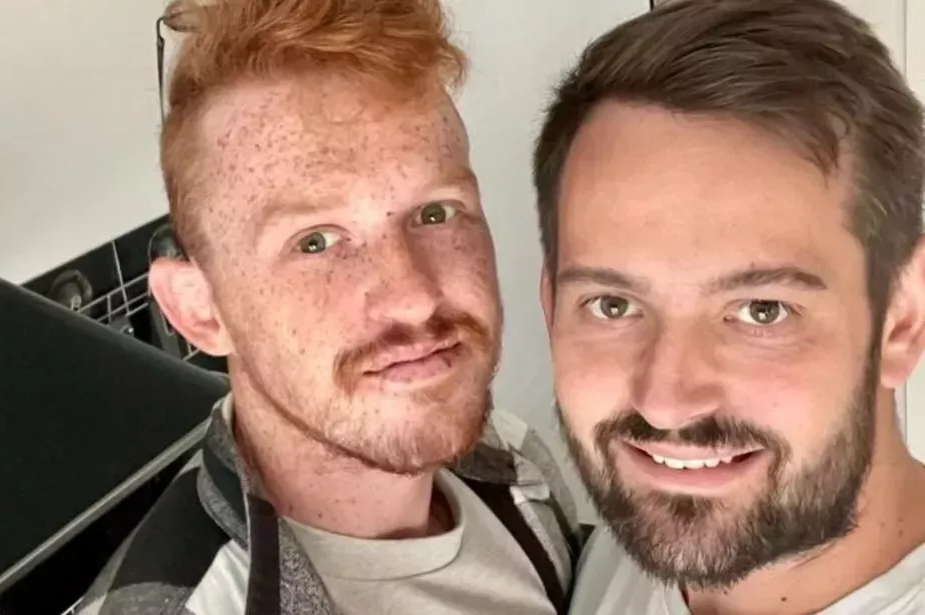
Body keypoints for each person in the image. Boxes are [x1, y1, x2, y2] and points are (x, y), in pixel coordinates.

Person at [76, 1, 582, 614]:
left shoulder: (514, 464)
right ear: (199, 311)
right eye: (315, 241)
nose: (413, 295)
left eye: (435, 212)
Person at [532, 0, 925, 613]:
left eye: (760, 311)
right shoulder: (603, 551)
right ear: (551, 305)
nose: (665, 404)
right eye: (612, 305)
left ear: (902, 319)